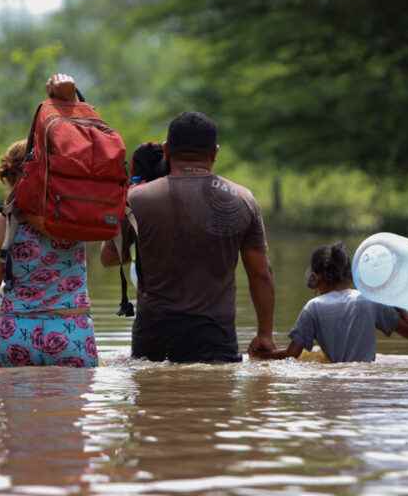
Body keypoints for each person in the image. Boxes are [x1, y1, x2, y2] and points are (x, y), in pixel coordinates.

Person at [100, 111, 276, 363]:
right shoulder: (242, 199)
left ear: (167, 150)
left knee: (153, 399)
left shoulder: (136, 199)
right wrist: (265, 335)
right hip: (215, 336)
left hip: (153, 336)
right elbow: (261, 273)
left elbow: (109, 258)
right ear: (215, 153)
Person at [0, 74, 98, 368]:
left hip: (17, 333)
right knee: (69, 415)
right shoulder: (73, 214)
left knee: (18, 413)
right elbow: (88, 142)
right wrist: (69, 101)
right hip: (70, 332)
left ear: (9, 177)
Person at [251, 242, 408, 363]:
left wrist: (261, 356)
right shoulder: (369, 300)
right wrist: (394, 296)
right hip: (367, 380)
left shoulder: (313, 308)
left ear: (315, 278)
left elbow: (291, 354)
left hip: (335, 380)